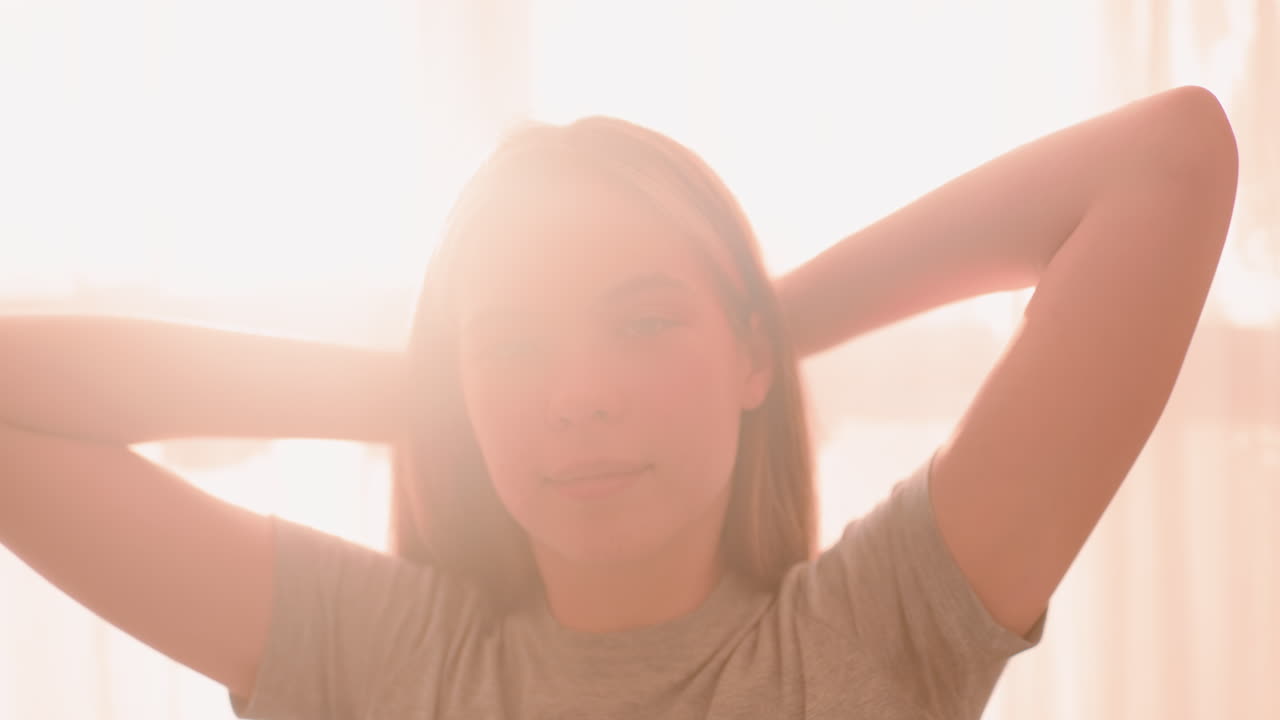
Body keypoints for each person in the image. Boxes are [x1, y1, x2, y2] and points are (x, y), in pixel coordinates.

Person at [0, 84, 1237, 719]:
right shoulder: (383, 660)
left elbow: (1168, 159)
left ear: (749, 357)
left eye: (643, 326)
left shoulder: (869, 640)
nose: (579, 398)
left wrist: (759, 320)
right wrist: (428, 389)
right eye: (517, 347)